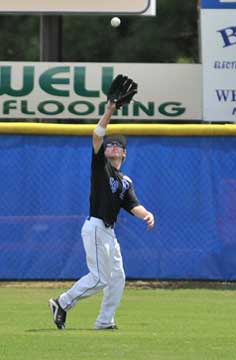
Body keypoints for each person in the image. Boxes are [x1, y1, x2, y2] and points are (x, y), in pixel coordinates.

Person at [49, 83, 155, 331]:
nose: (114, 146)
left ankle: (105, 320)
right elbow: (97, 135)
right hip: (95, 226)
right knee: (99, 278)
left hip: (108, 232)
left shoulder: (125, 180)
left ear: (125, 155)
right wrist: (109, 110)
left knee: (117, 277)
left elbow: (133, 205)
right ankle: (62, 303)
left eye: (119, 146)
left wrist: (147, 214)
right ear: (106, 152)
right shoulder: (101, 167)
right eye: (111, 145)